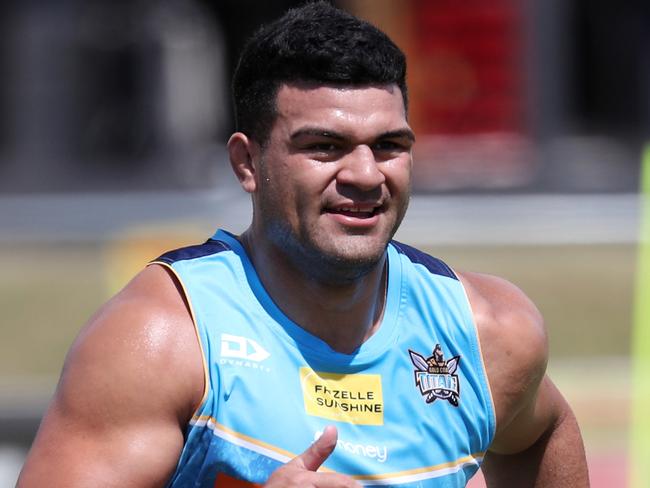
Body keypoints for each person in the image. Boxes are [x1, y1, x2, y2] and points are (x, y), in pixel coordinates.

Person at [18, 2, 589, 487]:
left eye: (389, 144)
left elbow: (542, 430)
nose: (366, 174)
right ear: (248, 162)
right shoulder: (162, 342)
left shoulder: (488, 334)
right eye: (325, 146)